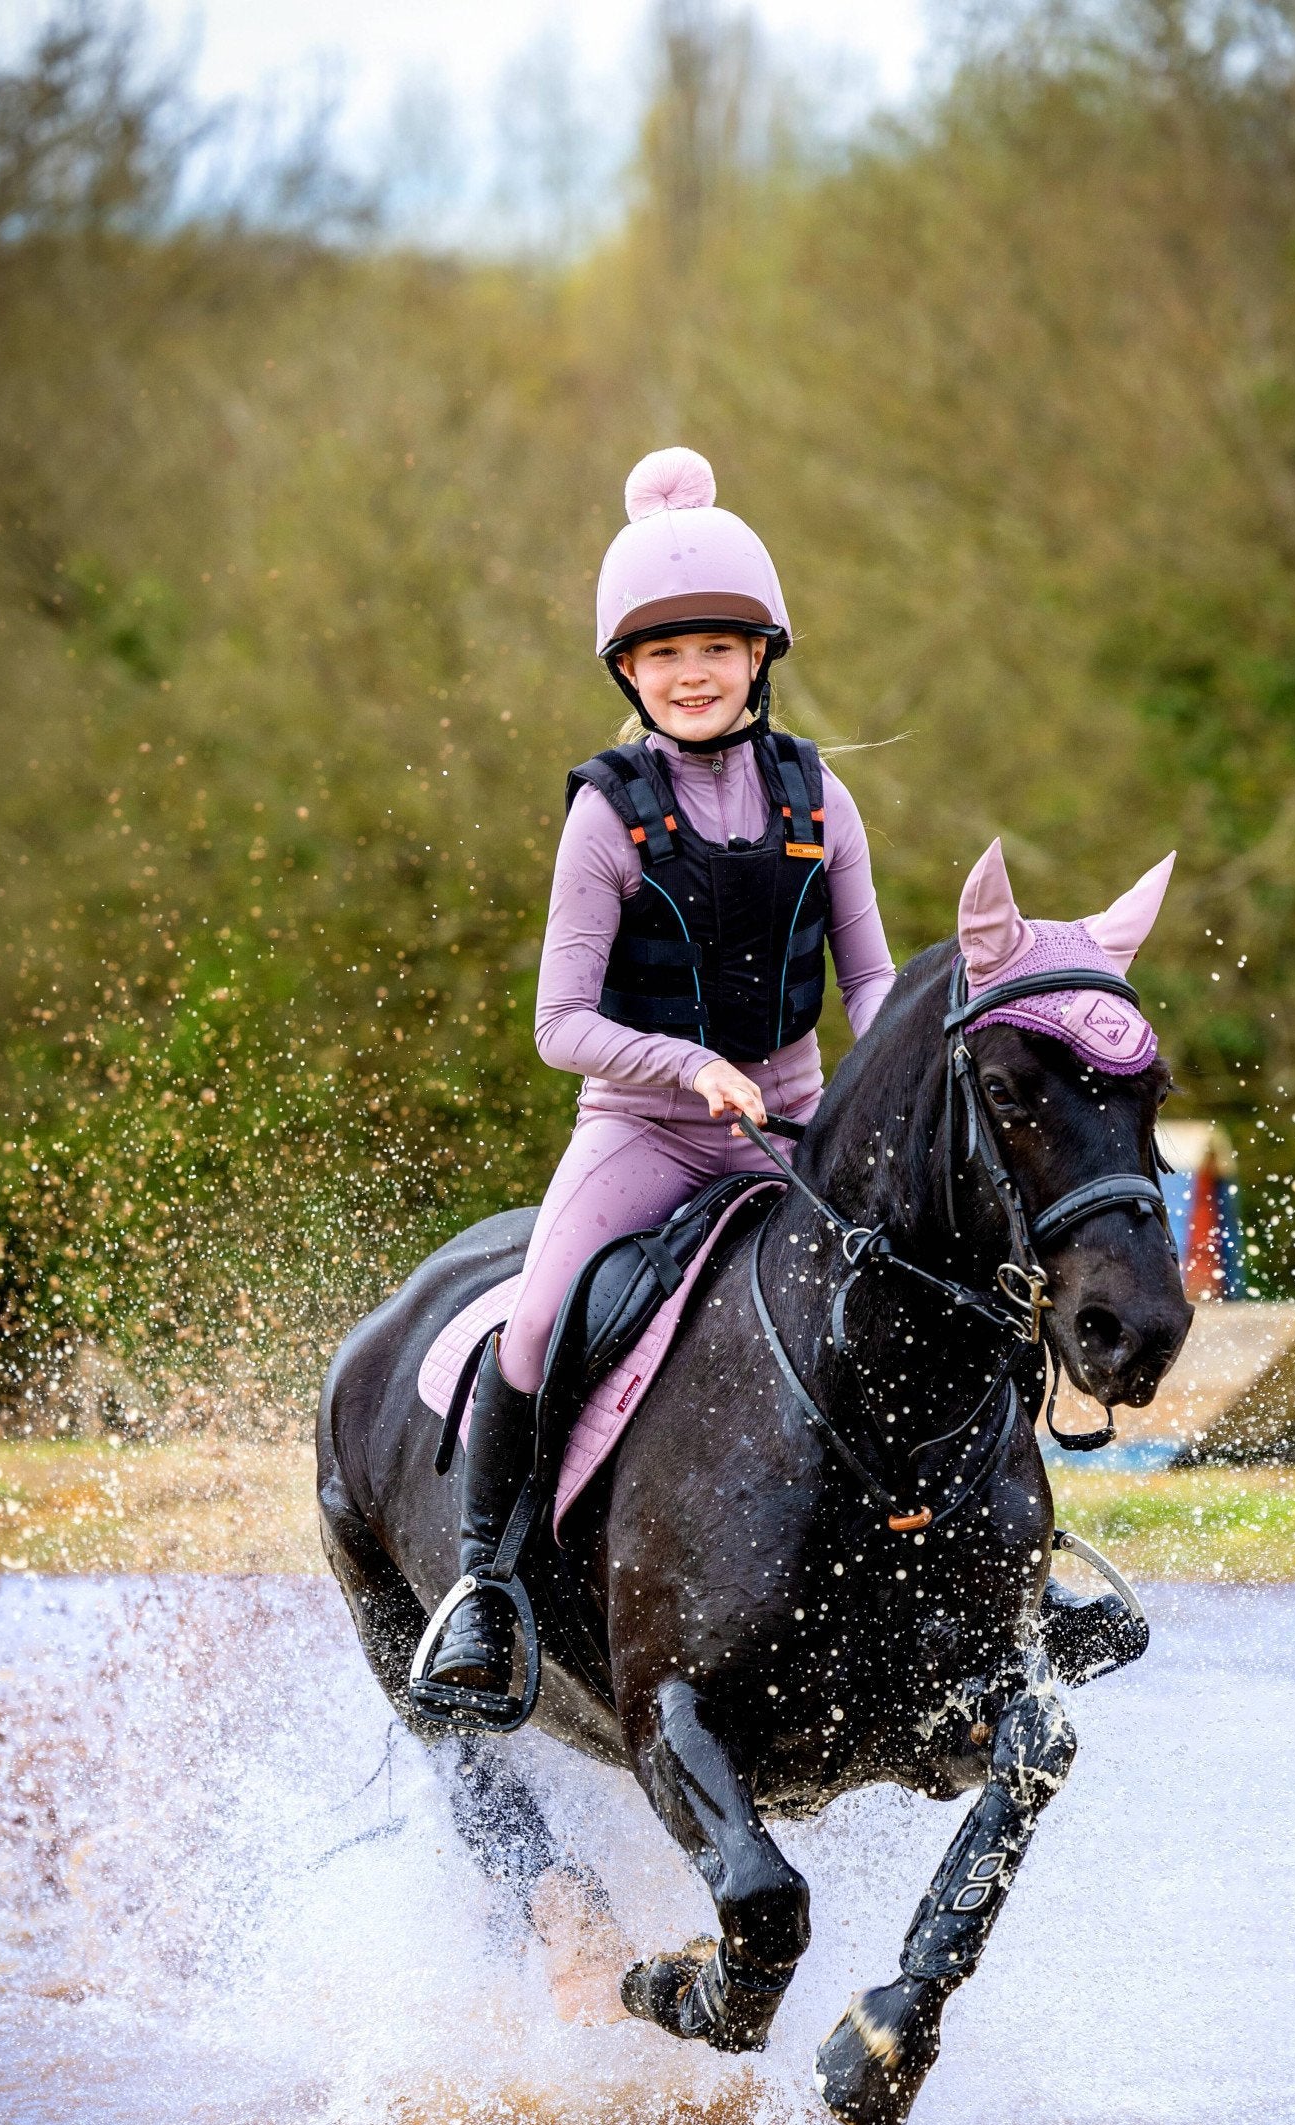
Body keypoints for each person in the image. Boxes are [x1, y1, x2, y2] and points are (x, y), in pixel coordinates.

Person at [427, 446, 897, 1691]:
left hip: (795, 1119)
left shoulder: (821, 797)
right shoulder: (605, 814)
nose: (693, 674)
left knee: (937, 1278)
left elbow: (878, 989)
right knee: (536, 1323)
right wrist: (689, 1070)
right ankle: (485, 1588)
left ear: (759, 659)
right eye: (665, 655)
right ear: (629, 672)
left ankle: (1019, 1560)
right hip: (643, 1132)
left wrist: (904, 1078)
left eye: (717, 649)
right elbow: (558, 1022)